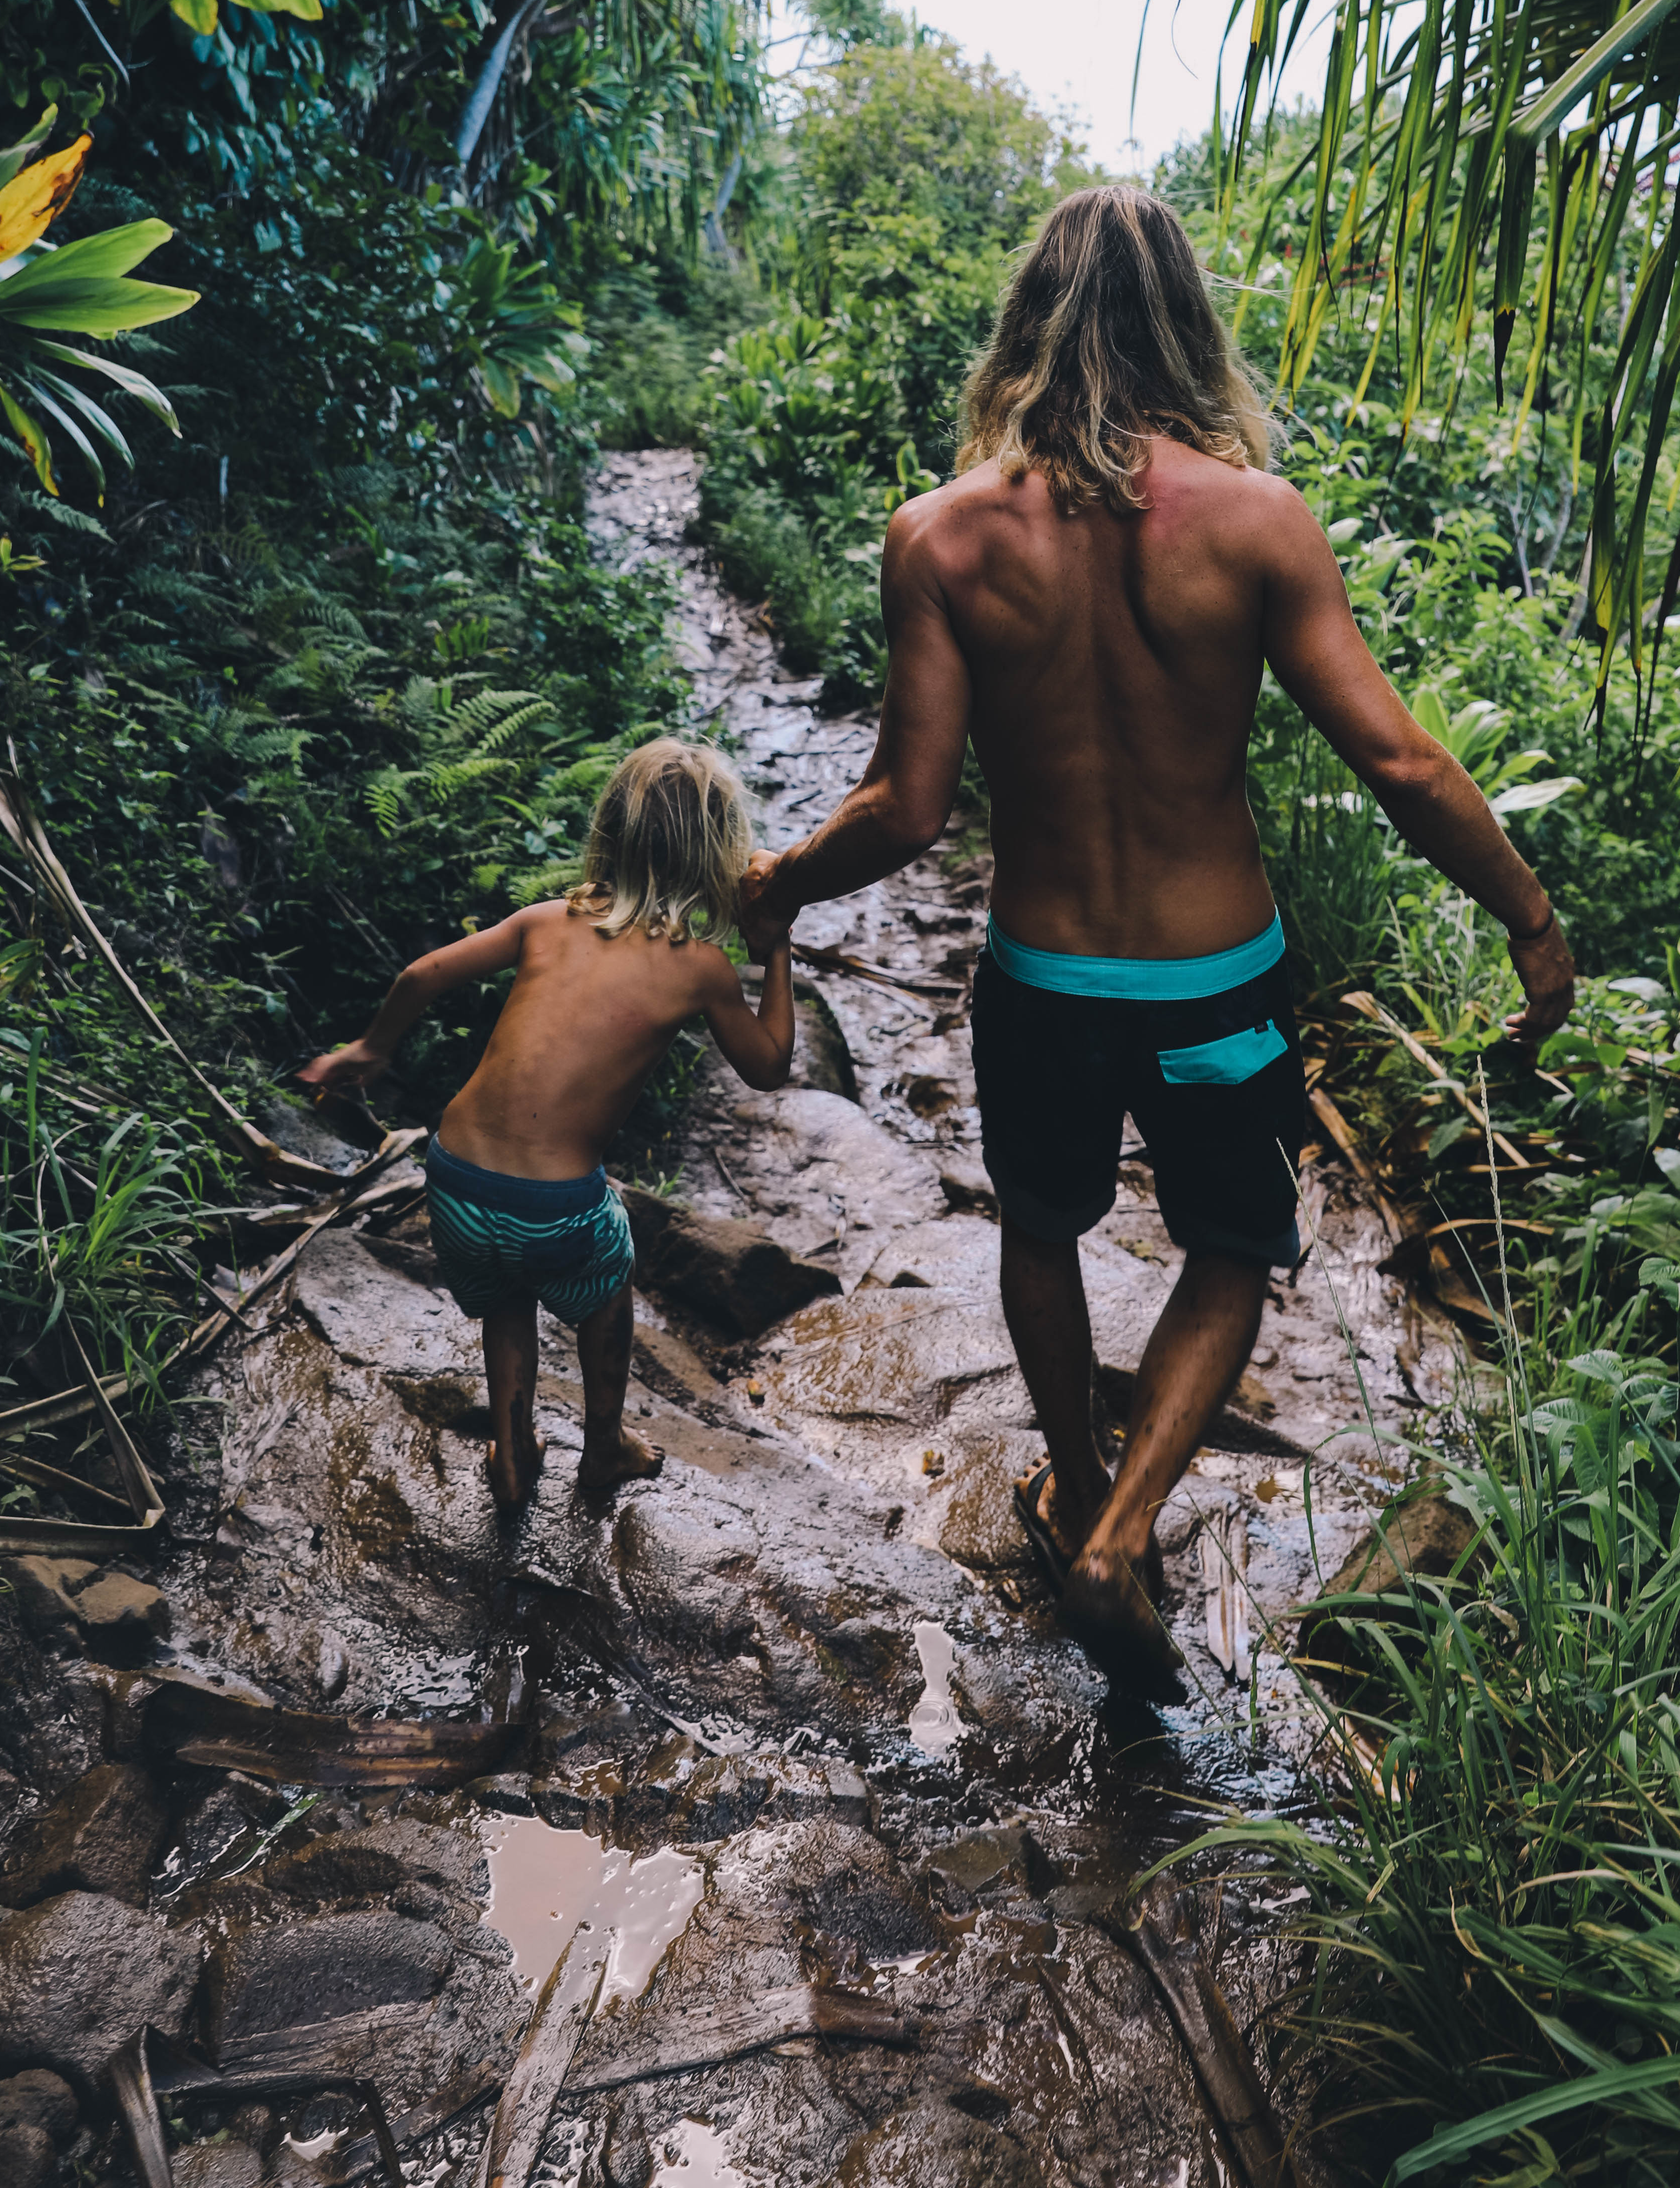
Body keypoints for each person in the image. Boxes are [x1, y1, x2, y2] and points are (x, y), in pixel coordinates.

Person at [739, 184, 1575, 1696]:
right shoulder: (1256, 523)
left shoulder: (938, 538)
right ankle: (1127, 1532)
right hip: (1218, 982)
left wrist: (781, 883)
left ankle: (1074, 1485)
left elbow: (908, 806)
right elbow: (1400, 761)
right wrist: (1527, 915)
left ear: (1025, 330)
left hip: (1044, 978)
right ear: (1188, 327)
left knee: (1044, 1227)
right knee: (1235, 1242)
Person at [303, 736, 795, 1505]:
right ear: (716, 856)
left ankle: (512, 1449)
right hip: (554, 1207)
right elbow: (769, 1066)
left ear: (611, 829)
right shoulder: (701, 967)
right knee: (606, 1281)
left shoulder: (546, 920)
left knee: (506, 1292)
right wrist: (778, 945)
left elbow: (420, 975)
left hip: (456, 1175)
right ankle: (603, 1448)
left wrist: (369, 1048)